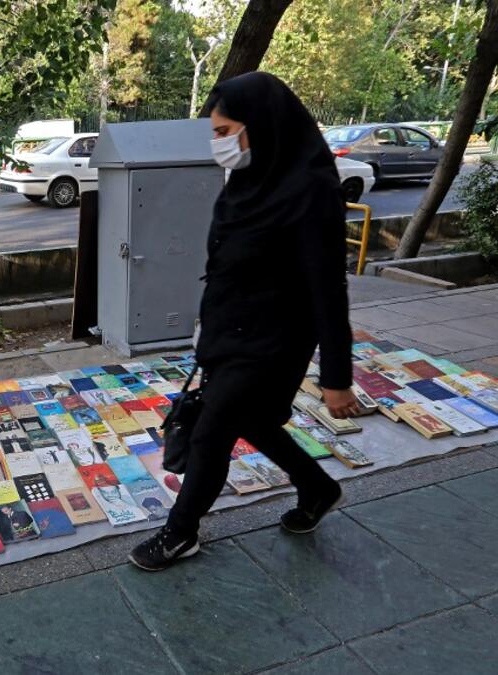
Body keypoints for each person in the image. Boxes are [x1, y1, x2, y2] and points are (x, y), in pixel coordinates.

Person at [129, 72, 359, 572]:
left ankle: (180, 532)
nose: (219, 144)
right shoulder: (249, 181)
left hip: (274, 341)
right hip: (230, 333)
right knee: (251, 421)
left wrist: (337, 377)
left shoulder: (312, 190)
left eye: (225, 131)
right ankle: (318, 488)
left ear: (262, 124)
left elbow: (328, 290)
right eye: (216, 133)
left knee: (212, 433)